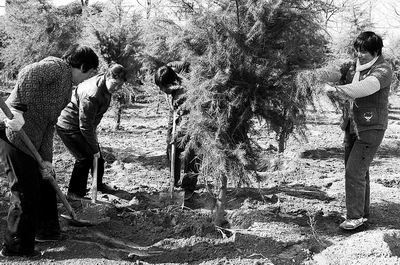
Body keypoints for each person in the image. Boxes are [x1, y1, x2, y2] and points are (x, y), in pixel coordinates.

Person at [0, 44, 99, 257]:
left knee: (46, 182)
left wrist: (47, 161)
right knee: (25, 192)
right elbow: (28, 73)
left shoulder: (65, 90)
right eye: (90, 73)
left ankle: (47, 231)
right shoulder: (57, 67)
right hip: (14, 135)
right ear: (82, 66)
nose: (88, 79)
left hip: (33, 140)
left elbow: (49, 125)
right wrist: (18, 109)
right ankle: (15, 249)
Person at [322, 31, 392, 230]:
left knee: (354, 171)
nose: (359, 55)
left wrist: (337, 91)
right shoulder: (354, 67)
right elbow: (334, 74)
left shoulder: (383, 70)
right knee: (360, 171)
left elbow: (365, 88)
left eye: (364, 52)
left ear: (376, 51)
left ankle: (354, 218)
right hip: (351, 126)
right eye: (357, 50)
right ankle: (363, 213)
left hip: (371, 128)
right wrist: (314, 76)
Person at [56, 64, 127, 200]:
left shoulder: (105, 85)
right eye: (115, 83)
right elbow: (85, 125)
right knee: (85, 157)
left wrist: (94, 144)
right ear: (107, 76)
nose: (117, 88)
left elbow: (92, 121)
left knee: (98, 157)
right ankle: (74, 194)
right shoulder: (92, 94)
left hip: (82, 124)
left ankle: (98, 185)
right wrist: (93, 147)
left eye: (120, 85)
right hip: (68, 125)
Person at [154, 65, 200, 202]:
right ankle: (173, 181)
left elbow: (188, 119)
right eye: (160, 87)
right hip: (174, 113)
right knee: (171, 147)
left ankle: (188, 186)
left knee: (190, 151)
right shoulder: (168, 78)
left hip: (190, 120)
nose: (162, 90)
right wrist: (172, 136)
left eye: (163, 87)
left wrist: (177, 135)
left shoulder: (184, 92)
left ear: (172, 83)